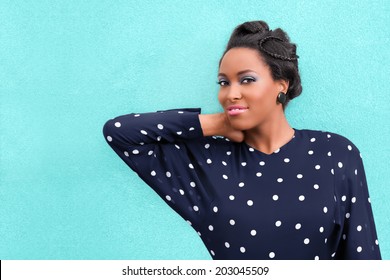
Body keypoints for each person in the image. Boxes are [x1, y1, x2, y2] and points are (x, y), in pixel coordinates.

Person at [102, 20, 381, 260]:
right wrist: (217, 123)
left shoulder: (335, 153)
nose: (230, 94)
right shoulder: (206, 162)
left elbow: (363, 257)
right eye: (224, 83)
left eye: (246, 80)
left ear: (281, 85)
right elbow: (119, 132)